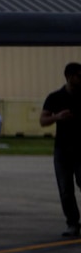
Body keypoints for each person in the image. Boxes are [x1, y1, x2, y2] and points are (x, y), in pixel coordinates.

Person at [40, 63, 81, 238]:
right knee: (65, 189)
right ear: (69, 77)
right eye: (80, 75)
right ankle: (72, 223)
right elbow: (43, 120)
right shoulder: (55, 97)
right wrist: (58, 117)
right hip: (62, 150)